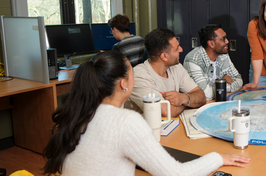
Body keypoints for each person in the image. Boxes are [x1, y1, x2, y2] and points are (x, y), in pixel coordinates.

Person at [42, 51, 250, 176]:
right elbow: (176, 173)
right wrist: (218, 158)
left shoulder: (77, 113)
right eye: (132, 72)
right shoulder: (125, 122)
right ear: (124, 84)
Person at [129, 28, 206, 117]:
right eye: (177, 48)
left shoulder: (177, 67)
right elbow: (167, 112)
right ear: (164, 56)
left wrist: (183, 98)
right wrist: (187, 103)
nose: (181, 49)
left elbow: (201, 97)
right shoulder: (139, 76)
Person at [183, 24, 243, 100]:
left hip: (217, 103)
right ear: (211, 44)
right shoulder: (193, 59)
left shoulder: (223, 55)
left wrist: (220, 87)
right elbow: (205, 94)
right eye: (223, 39)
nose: (227, 41)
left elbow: (239, 80)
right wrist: (224, 83)